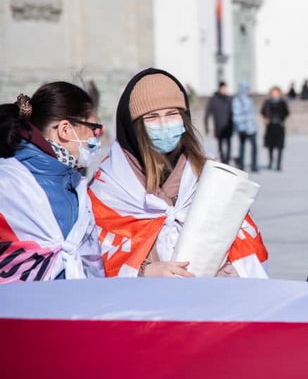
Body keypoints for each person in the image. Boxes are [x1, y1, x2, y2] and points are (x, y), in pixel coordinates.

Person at [89, 68, 268, 278]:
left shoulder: (211, 174)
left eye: (172, 114)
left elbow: (243, 241)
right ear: (134, 126)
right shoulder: (109, 187)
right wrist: (144, 271)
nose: (164, 124)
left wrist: (226, 273)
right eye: (152, 117)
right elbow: (95, 258)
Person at [0, 83, 105, 282]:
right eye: (95, 129)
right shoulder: (8, 183)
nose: (96, 137)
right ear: (65, 130)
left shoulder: (74, 186)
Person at [261, 86, 290, 171]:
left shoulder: (282, 102)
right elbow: (262, 111)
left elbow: (287, 112)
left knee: (280, 146)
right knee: (270, 146)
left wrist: (281, 118)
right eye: (273, 92)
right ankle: (270, 162)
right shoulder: (267, 102)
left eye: (276, 92)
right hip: (270, 126)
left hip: (280, 126)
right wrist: (267, 118)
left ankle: (278, 164)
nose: (275, 94)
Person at [231, 82, 258, 172]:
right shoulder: (238, 100)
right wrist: (242, 124)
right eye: (247, 89)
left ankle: (254, 165)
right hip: (243, 128)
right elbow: (236, 114)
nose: (249, 91)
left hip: (252, 127)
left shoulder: (248, 98)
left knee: (254, 146)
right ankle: (241, 165)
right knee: (242, 146)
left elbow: (252, 113)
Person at [204, 82, 233, 163]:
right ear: (219, 88)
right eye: (223, 88)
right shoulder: (214, 99)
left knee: (229, 144)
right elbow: (207, 113)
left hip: (228, 126)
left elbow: (234, 112)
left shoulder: (230, 99)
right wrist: (206, 127)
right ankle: (223, 160)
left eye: (226, 88)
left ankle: (227, 160)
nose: (225, 90)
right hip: (219, 126)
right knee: (220, 145)